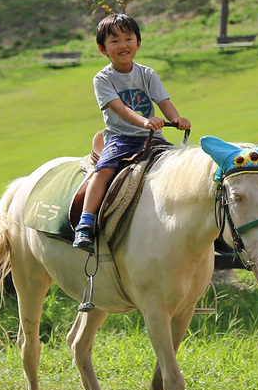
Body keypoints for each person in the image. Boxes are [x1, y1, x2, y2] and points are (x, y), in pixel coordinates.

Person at [72, 13, 191, 251]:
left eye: (128, 38)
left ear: (138, 43)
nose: (123, 45)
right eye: (114, 41)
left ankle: (194, 223)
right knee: (104, 169)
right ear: (102, 48)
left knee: (181, 169)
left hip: (153, 137)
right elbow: (120, 109)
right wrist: (145, 121)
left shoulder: (147, 73)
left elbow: (164, 101)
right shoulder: (103, 79)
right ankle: (86, 221)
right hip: (121, 138)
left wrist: (176, 118)